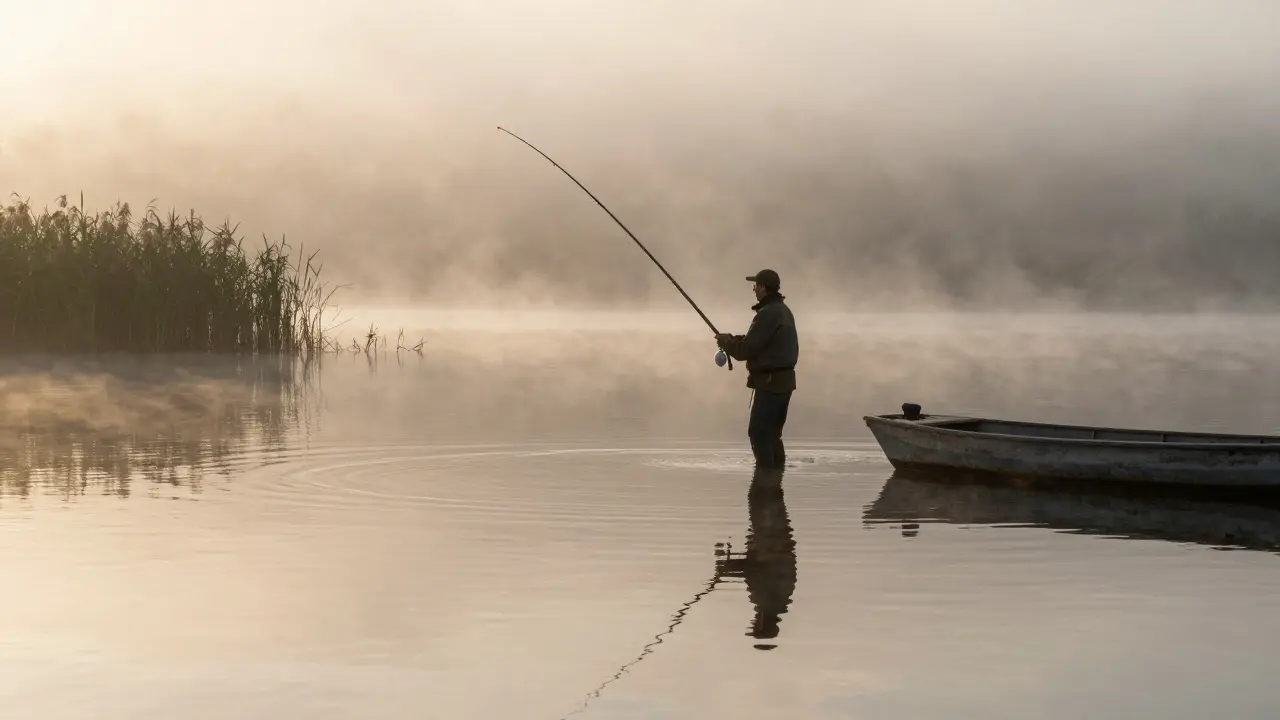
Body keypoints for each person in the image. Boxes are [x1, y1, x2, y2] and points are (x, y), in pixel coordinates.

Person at [715, 269, 798, 469]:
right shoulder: (782, 310)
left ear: (763, 288)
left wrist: (727, 344)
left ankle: (765, 479)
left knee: (759, 433)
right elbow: (758, 342)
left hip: (770, 384)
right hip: (783, 383)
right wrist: (732, 338)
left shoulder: (767, 313)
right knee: (772, 435)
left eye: (756, 287)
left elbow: (746, 351)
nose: (754, 291)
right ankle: (776, 478)